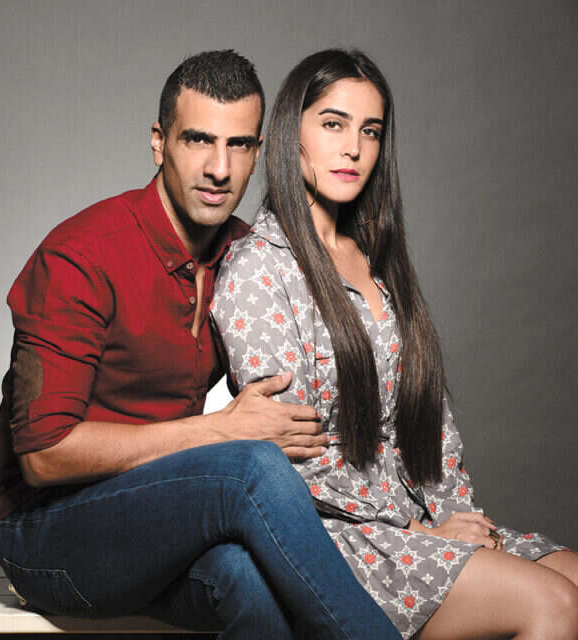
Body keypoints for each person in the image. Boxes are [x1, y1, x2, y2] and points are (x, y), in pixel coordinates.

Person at [0, 50, 400, 638]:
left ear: (259, 152)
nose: (219, 169)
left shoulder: (250, 259)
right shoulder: (82, 256)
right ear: (159, 142)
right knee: (251, 466)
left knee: (251, 581)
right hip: (44, 536)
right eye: (199, 140)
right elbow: (44, 455)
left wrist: (416, 528)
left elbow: (322, 420)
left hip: (162, 515)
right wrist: (218, 430)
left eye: (239, 145)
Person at [213, 48, 578, 639]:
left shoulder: (376, 262)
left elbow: (431, 425)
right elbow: (286, 456)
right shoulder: (259, 268)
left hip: (421, 522)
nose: (353, 148)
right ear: (289, 133)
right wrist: (417, 534)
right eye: (333, 124)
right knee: (552, 604)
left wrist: (459, 520)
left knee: (574, 580)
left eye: (370, 131)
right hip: (331, 536)